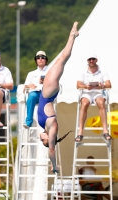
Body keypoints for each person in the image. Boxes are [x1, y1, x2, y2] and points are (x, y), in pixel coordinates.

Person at [38, 22, 79, 173]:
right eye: (42, 139)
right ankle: (72, 36)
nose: (40, 137)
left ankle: (72, 36)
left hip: (48, 92)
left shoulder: (45, 126)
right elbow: (52, 151)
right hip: (48, 93)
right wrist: (54, 166)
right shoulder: (52, 129)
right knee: (62, 59)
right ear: (48, 139)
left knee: (62, 60)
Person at [75, 54, 112, 142]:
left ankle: (105, 131)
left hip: (98, 93)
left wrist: (102, 86)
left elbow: (109, 84)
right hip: (87, 93)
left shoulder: (103, 71)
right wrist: (86, 86)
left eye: (93, 59)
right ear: (87, 61)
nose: (91, 61)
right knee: (84, 104)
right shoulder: (83, 71)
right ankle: (80, 132)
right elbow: (78, 85)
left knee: (101, 103)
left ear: (96, 60)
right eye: (90, 59)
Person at [23, 50, 49, 128]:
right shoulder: (31, 73)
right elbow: (25, 88)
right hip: (35, 94)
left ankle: (46, 123)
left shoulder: (50, 71)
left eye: (43, 57)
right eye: (38, 58)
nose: (40, 59)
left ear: (46, 60)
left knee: (44, 96)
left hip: (46, 93)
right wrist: (29, 86)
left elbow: (56, 84)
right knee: (31, 96)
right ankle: (28, 121)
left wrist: (46, 82)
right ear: (36, 60)